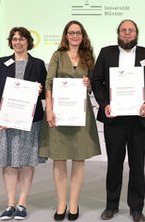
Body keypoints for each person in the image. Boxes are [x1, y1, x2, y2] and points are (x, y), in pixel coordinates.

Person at [91, 19, 145, 222]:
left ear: (136, 34)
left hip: (139, 118)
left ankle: (136, 208)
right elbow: (96, 81)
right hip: (114, 118)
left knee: (137, 164)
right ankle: (111, 206)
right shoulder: (106, 53)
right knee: (114, 163)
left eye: (131, 30)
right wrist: (105, 103)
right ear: (118, 33)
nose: (127, 33)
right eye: (123, 30)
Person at [39, 20, 101, 221]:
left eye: (78, 32)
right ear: (66, 35)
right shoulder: (57, 55)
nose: (75, 36)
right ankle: (61, 203)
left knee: (78, 158)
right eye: (71, 32)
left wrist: (89, 84)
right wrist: (49, 109)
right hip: (58, 113)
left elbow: (95, 85)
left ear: (83, 36)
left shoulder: (89, 57)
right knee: (59, 158)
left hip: (81, 114)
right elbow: (49, 82)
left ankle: (73, 203)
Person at [0, 27, 47, 220]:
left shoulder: (38, 64)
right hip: (6, 121)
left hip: (30, 121)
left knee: (27, 162)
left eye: (21, 39)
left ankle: (22, 203)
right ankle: (10, 203)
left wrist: (40, 89)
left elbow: (46, 91)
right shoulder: (2, 63)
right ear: (10, 42)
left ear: (28, 41)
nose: (18, 42)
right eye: (14, 39)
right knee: (10, 162)